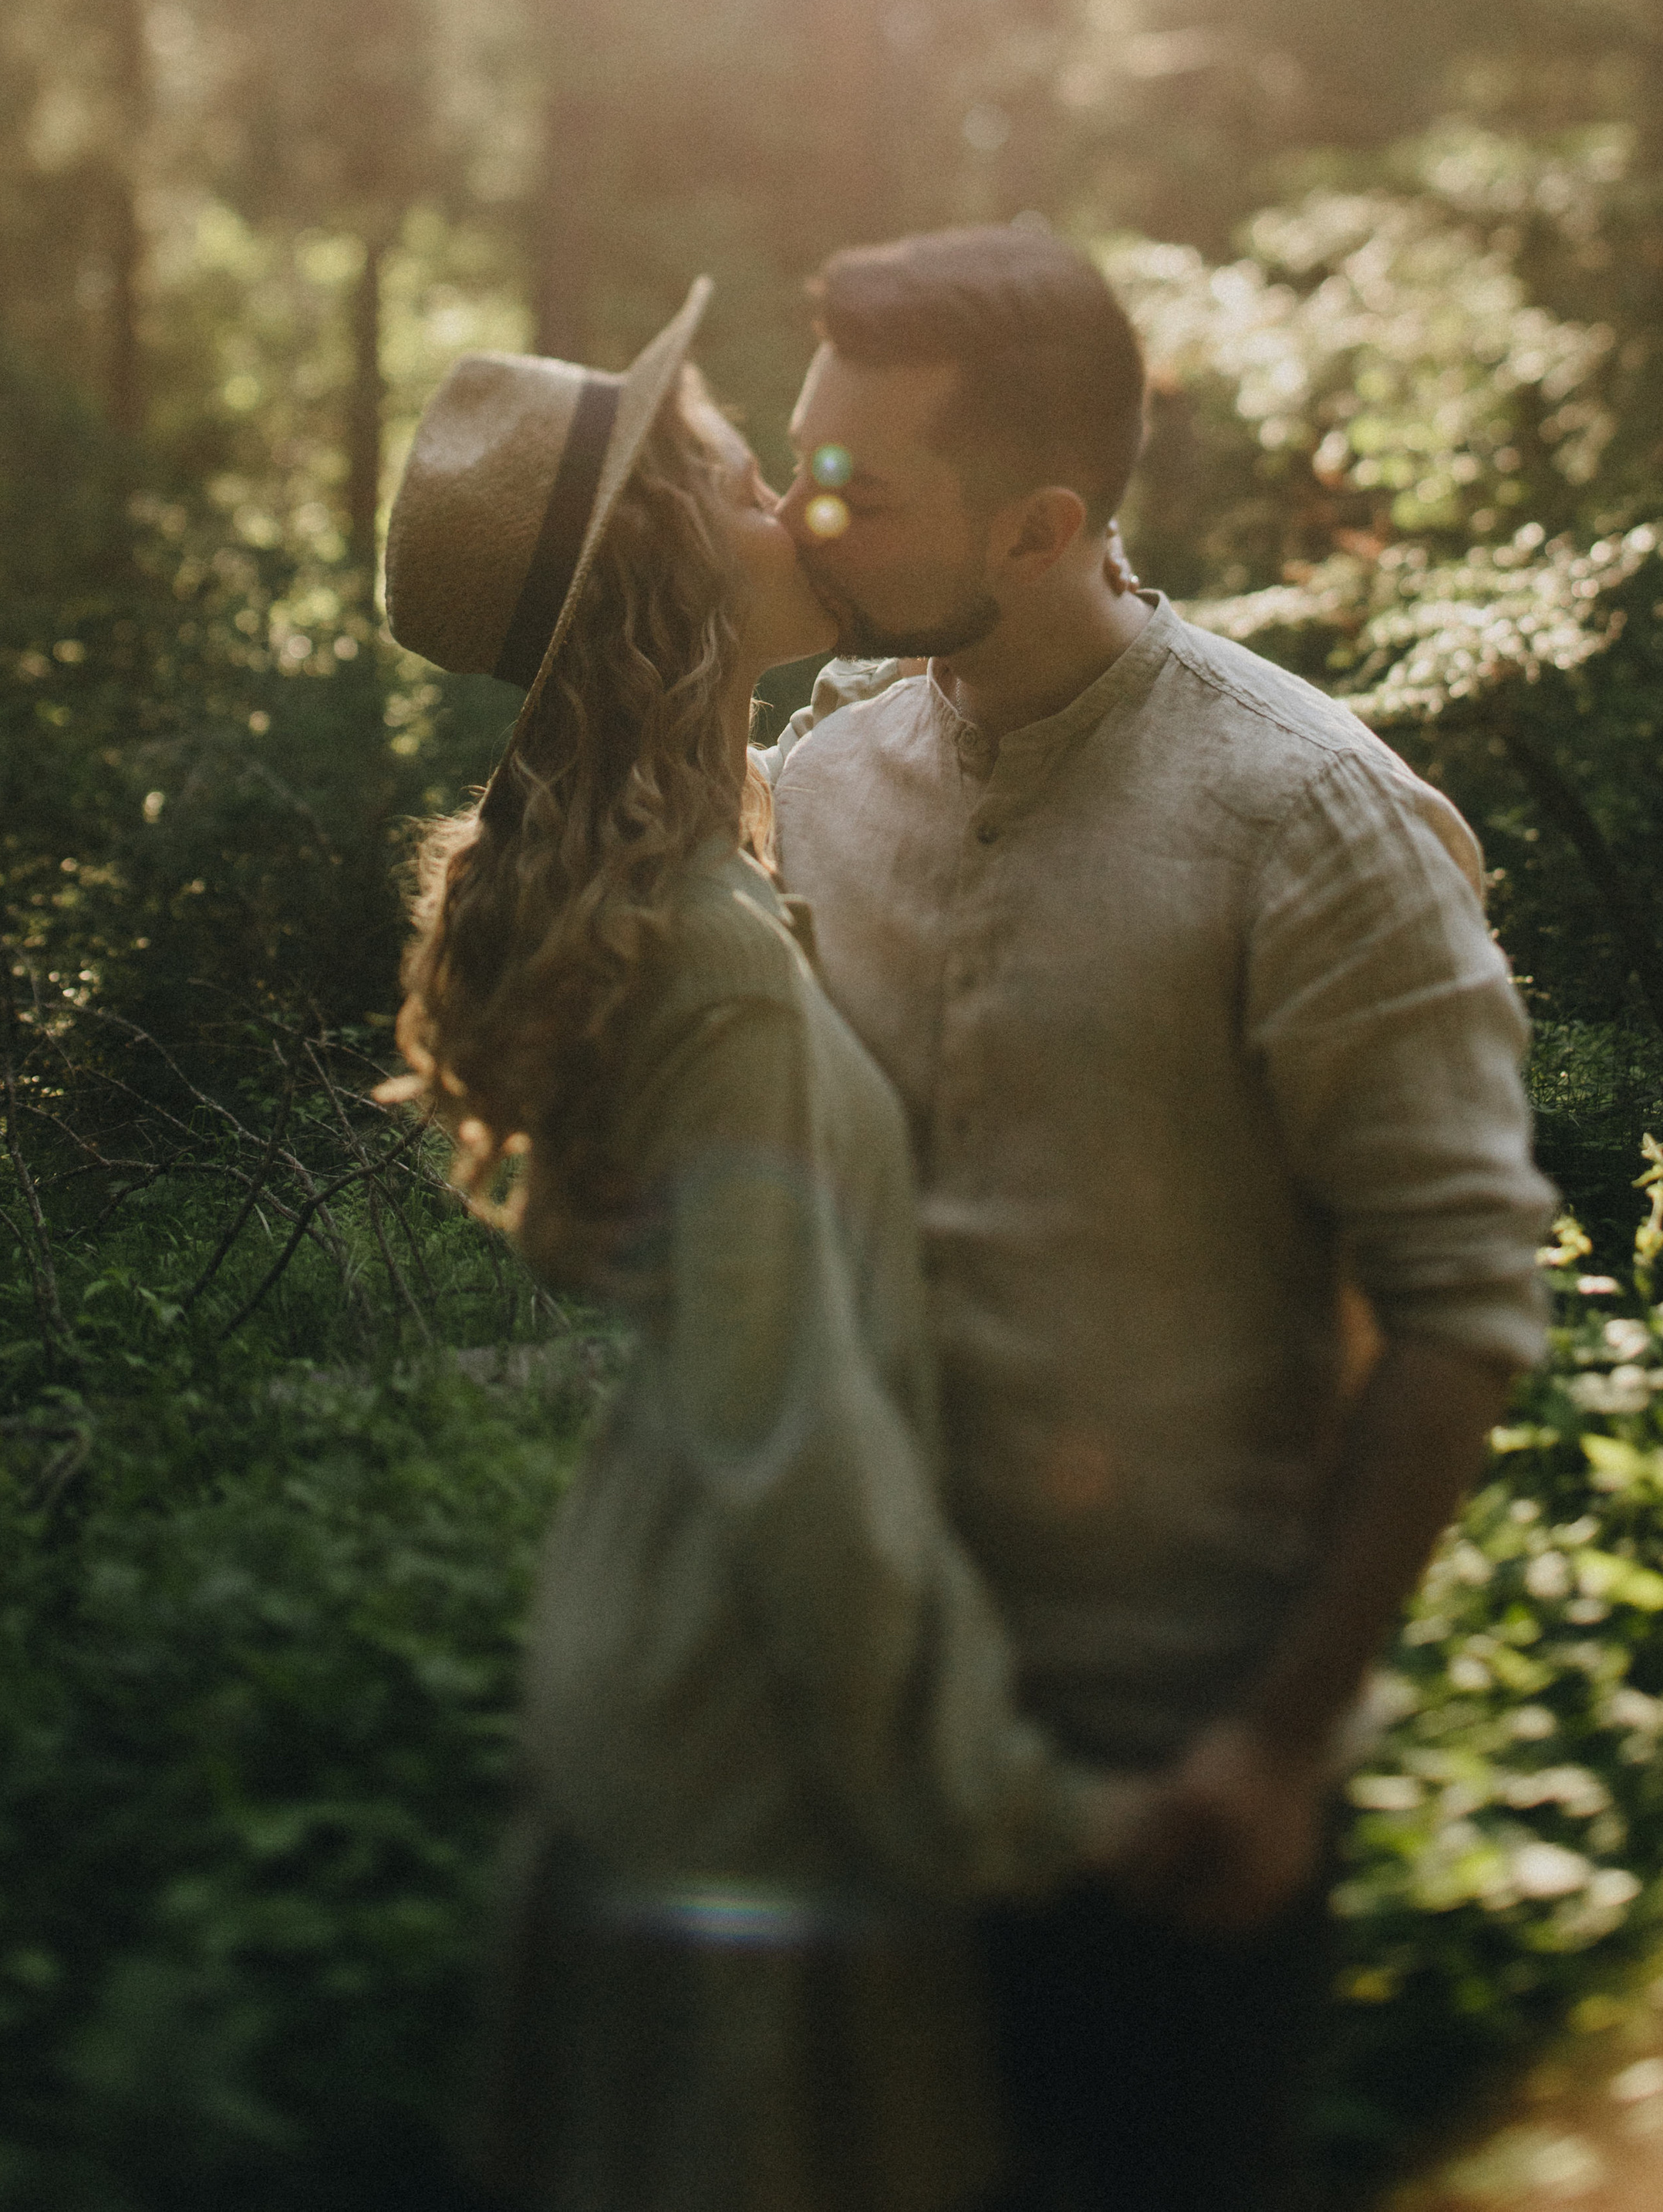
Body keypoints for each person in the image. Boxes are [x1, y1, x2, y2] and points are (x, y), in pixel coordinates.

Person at [762, 224, 1559, 2212]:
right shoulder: (822, 780)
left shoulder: (1306, 817)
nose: (797, 517)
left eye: (855, 490)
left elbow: (1462, 1304)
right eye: (797, 457)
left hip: (1164, 1798)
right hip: (850, 1766)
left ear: (1040, 525)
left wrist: (1274, 1745)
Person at [379, 280, 1151, 2212]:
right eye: (742, 484)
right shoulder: (706, 953)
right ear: (664, 581)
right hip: (744, 1748)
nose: (796, 506)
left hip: (678, 1688)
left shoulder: (703, 887)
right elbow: (794, 1442)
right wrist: (1011, 1797)